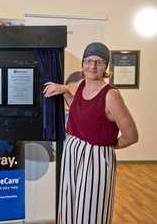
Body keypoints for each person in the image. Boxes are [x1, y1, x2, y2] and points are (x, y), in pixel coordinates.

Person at [43, 42, 138, 224]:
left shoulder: (111, 95)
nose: (92, 66)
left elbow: (132, 135)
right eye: (88, 60)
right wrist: (65, 91)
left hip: (95, 158)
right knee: (69, 208)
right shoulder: (80, 85)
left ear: (106, 66)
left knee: (91, 213)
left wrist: (106, 145)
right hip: (72, 153)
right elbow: (80, 109)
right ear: (83, 64)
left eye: (99, 62)